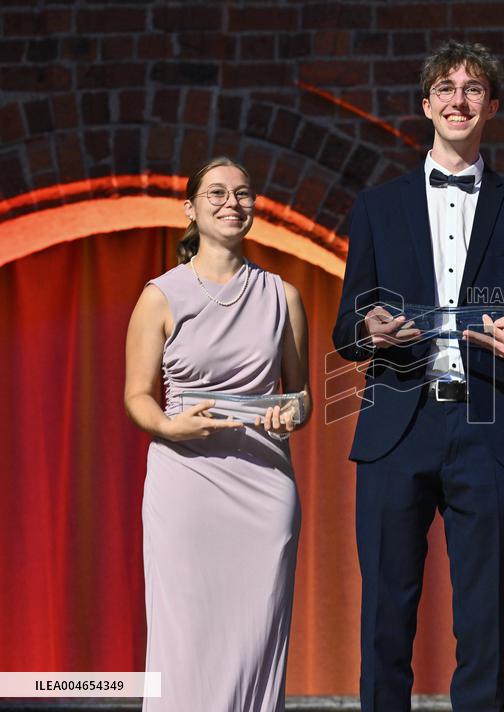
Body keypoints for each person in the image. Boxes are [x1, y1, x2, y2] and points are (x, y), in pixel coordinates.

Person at [332, 40, 504, 712]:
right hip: (396, 427)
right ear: (426, 104)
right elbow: (346, 328)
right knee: (384, 616)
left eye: (472, 89)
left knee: (483, 621)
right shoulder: (378, 207)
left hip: (487, 427)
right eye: (446, 88)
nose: (458, 100)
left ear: (491, 107)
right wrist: (369, 330)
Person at [124, 156, 311, 711]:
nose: (233, 202)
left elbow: (301, 395)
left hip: (264, 486)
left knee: (256, 637)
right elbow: (137, 395)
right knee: (185, 636)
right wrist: (169, 424)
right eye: (218, 193)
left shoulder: (283, 295)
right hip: (186, 482)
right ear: (190, 208)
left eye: (243, 193)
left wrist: (291, 412)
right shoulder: (160, 295)